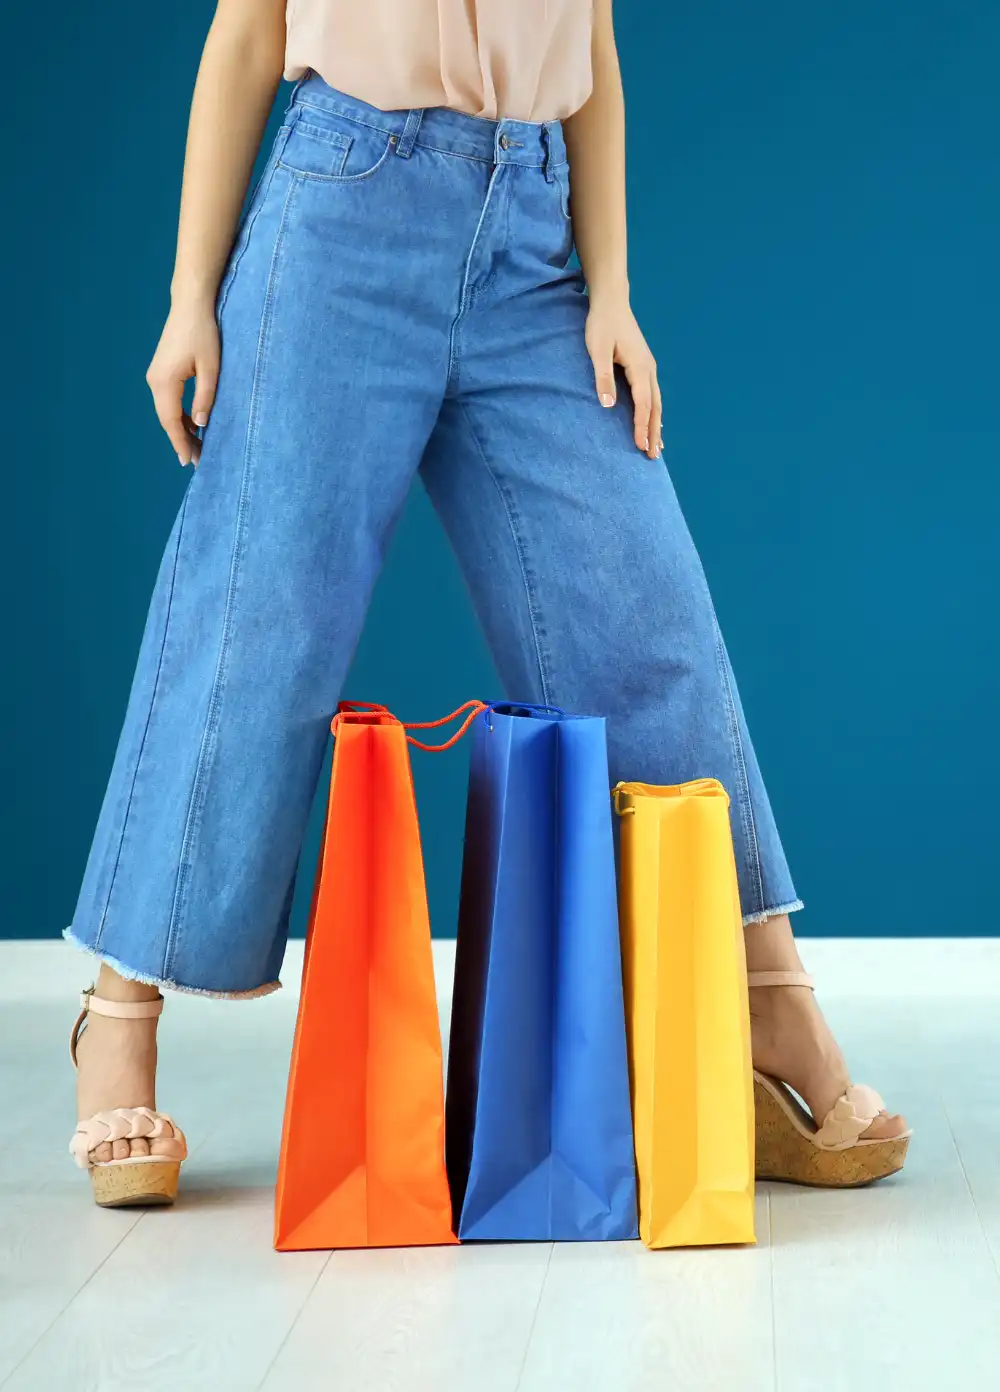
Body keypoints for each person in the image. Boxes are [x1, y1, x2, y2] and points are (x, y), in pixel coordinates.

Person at [66, 0, 909, 1208]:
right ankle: (120, 1013)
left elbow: (594, 51)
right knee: (254, 619)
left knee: (648, 621)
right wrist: (189, 293)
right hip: (340, 211)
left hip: (529, 237)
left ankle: (764, 1005)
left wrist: (610, 286)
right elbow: (247, 35)